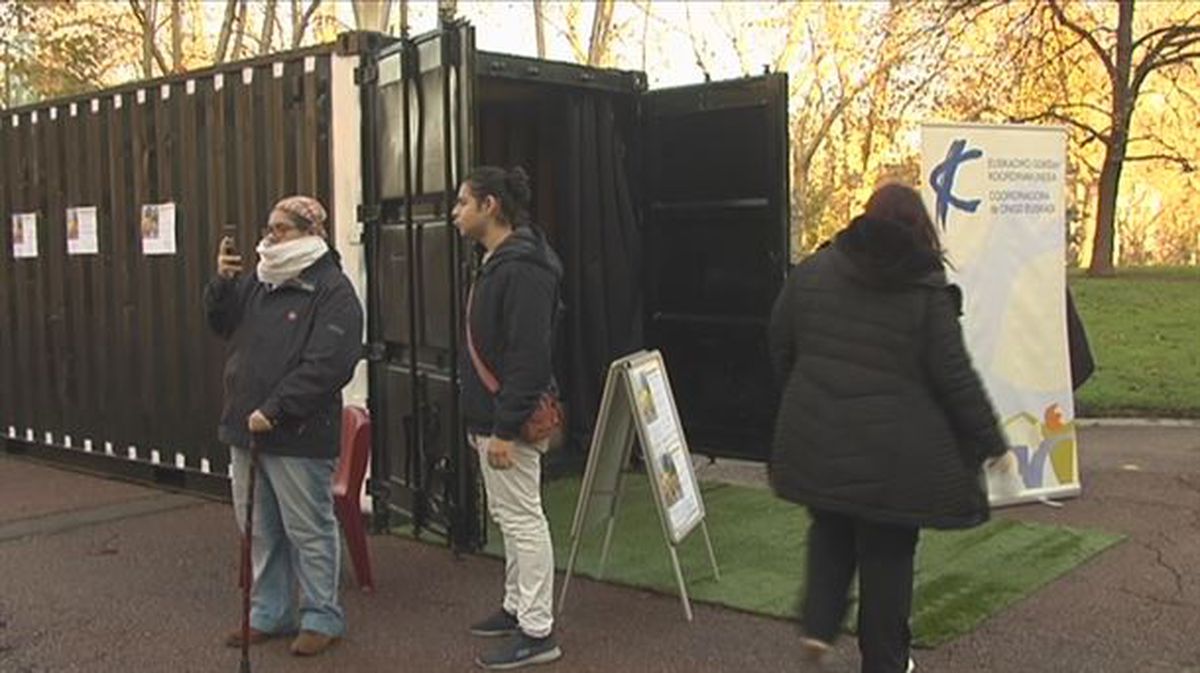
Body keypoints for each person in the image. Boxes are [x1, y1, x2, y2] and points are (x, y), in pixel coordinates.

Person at [768, 183, 1007, 673]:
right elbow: (953, 374)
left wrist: (804, 393)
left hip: (820, 439)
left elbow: (779, 341)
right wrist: (990, 440)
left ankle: (818, 628)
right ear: (921, 229)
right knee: (888, 559)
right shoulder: (924, 288)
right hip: (896, 460)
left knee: (830, 528)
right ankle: (885, 661)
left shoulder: (813, 272)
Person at [204, 195, 363, 657]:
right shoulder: (258, 280)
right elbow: (221, 323)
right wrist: (222, 282)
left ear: (310, 233)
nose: (269, 237)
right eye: (269, 227)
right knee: (258, 528)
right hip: (245, 426)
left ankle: (322, 616)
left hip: (297, 432)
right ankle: (270, 612)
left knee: (308, 528)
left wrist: (276, 408)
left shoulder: (332, 290)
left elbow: (330, 364)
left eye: (281, 229)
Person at [453, 166, 564, 670]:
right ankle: (518, 607)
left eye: (462, 203)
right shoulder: (500, 262)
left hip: (507, 422)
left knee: (523, 520)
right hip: (495, 418)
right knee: (511, 518)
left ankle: (538, 631)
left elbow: (528, 357)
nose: (455, 213)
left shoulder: (522, 269)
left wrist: (502, 428)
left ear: (490, 205)